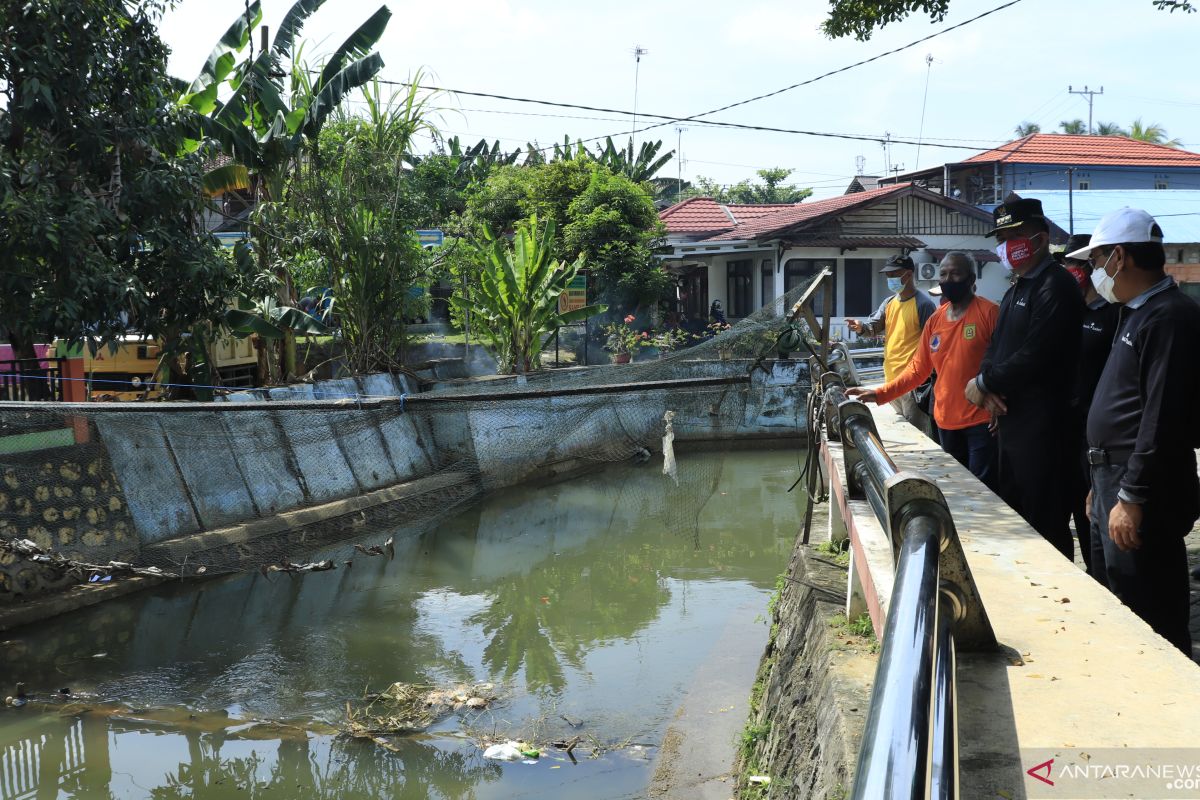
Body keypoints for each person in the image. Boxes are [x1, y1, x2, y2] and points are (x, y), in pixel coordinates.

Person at [1068, 208, 1200, 654]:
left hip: (1141, 487)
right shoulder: (1134, 312)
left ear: (1119, 257)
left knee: (1152, 614)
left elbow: (1162, 418)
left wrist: (1131, 497)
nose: (1093, 272)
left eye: (1096, 260)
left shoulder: (1170, 317)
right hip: (1111, 478)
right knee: (1115, 600)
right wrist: (1098, 485)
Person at [964, 198, 1084, 559]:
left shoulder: (1055, 285)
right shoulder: (1016, 287)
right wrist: (987, 386)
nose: (1007, 244)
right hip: (1010, 424)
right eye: (1002, 237)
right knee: (1016, 519)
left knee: (1045, 524)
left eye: (1015, 234)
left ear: (1041, 237)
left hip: (1045, 427)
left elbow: (1037, 354)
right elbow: (995, 348)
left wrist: (983, 385)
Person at [848, 252, 999, 486]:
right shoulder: (935, 321)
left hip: (982, 422)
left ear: (971, 279)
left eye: (956, 273)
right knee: (957, 488)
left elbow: (1005, 362)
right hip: (945, 422)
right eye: (944, 274)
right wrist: (879, 394)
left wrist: (1001, 401)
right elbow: (918, 370)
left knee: (984, 490)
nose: (948, 279)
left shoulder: (989, 313)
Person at [1060, 234, 1121, 576]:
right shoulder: (1069, 312)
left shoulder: (1113, 315)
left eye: (1074, 265)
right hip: (1065, 430)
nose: (1069, 272)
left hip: (1097, 435)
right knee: (1072, 504)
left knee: (1093, 512)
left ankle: (1103, 580)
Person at [845, 254, 937, 437]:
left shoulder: (924, 305)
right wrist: (861, 327)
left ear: (908, 274)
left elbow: (934, 345)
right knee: (900, 432)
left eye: (894, 274)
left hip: (913, 382)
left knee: (918, 435)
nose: (890, 279)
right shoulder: (889, 303)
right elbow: (874, 327)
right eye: (888, 275)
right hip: (891, 377)